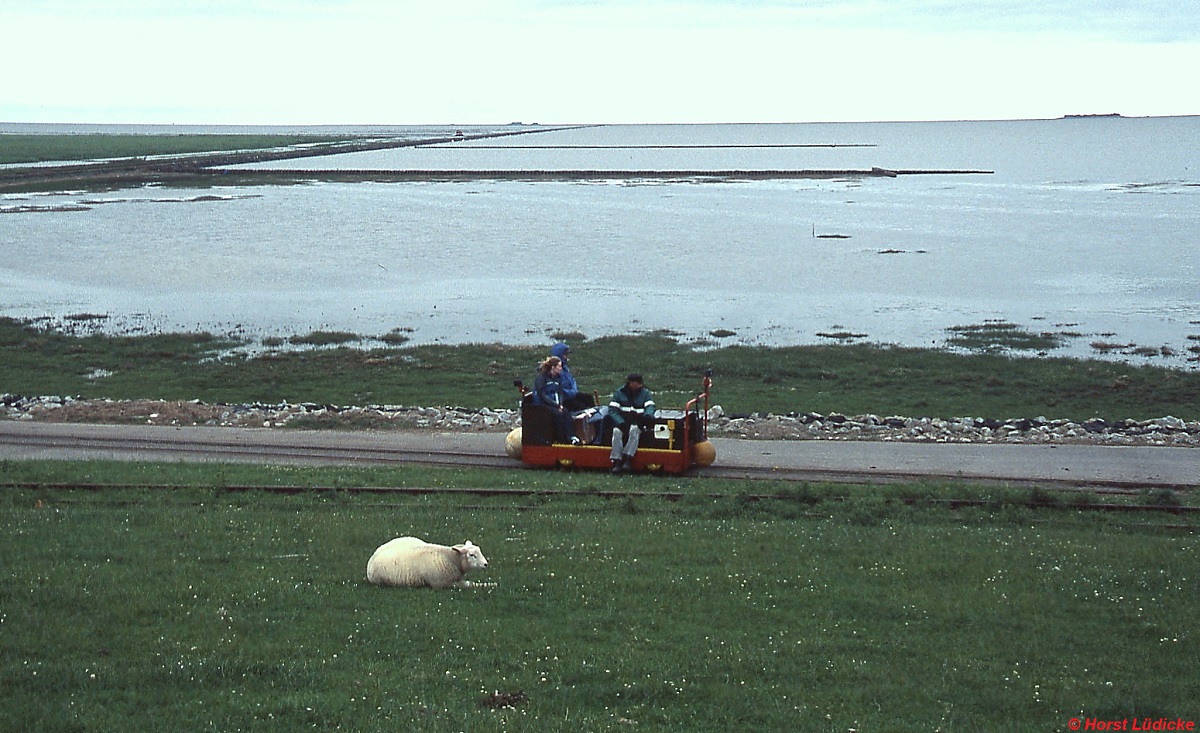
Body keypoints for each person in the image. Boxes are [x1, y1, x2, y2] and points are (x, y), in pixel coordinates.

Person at [608, 373, 655, 474]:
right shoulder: (619, 393)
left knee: (634, 431)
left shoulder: (645, 394)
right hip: (622, 422)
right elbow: (612, 410)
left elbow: (650, 407)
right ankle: (616, 461)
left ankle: (628, 459)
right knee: (616, 432)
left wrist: (648, 415)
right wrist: (620, 422)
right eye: (634, 383)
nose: (636, 385)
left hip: (637, 422)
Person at [533, 356, 580, 445]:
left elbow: (560, 392)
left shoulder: (557, 378)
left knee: (566, 413)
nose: (561, 368)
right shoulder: (542, 378)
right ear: (553, 367)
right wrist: (555, 405)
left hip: (556, 404)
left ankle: (572, 437)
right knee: (558, 415)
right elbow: (542, 395)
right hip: (543, 405)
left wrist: (560, 404)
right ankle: (561, 439)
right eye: (559, 366)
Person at [550, 342, 594, 411]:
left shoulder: (564, 367)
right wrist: (572, 393)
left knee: (588, 398)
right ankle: (583, 420)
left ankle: (595, 419)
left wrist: (574, 390)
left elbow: (571, 380)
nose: (567, 357)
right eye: (565, 354)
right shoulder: (554, 371)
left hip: (571, 394)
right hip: (563, 399)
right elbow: (558, 389)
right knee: (580, 407)